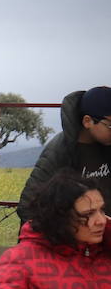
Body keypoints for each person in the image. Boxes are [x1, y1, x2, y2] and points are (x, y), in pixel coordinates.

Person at [17, 86, 111, 221]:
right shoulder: (59, 152)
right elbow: (28, 205)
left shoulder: (106, 146)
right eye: (110, 125)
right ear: (87, 121)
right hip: (69, 237)